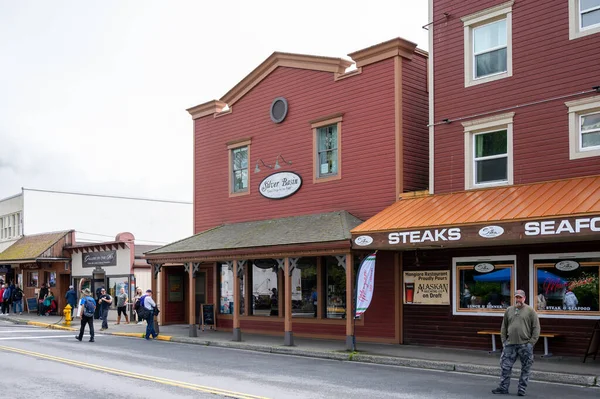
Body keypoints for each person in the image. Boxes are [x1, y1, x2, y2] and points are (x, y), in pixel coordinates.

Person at [492, 289, 540, 396]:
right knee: (505, 367)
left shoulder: (530, 311)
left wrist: (531, 343)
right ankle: (503, 387)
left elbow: (536, 328)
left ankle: (522, 389)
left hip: (525, 344)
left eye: (520, 297)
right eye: (516, 297)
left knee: (526, 367)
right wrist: (504, 341)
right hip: (510, 344)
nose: (518, 299)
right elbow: (504, 327)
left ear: (524, 298)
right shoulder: (509, 310)